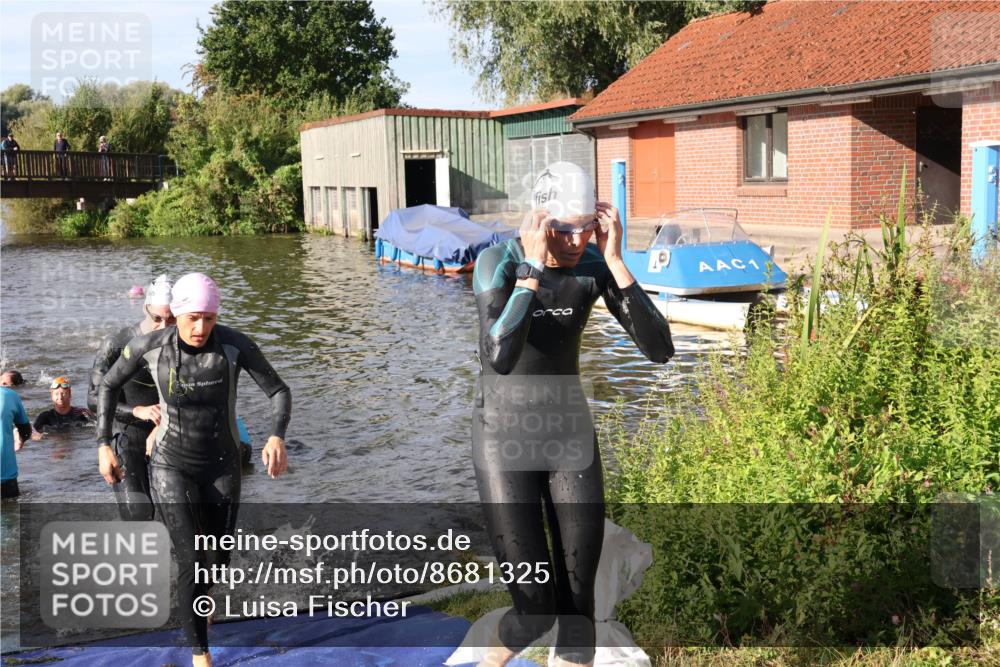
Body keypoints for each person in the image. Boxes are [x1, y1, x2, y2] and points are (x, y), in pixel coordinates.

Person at [472, 162, 674, 667]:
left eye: (587, 225)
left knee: (578, 611)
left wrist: (617, 261)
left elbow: (661, 350)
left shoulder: (594, 265)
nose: (576, 240)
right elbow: (500, 354)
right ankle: (487, 660)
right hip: (504, 441)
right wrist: (532, 275)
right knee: (536, 610)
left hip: (568, 438)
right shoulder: (498, 261)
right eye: (564, 229)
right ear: (541, 221)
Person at [96, 272, 291, 667]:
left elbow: (278, 389)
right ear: (178, 313)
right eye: (192, 318)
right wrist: (103, 444)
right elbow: (106, 386)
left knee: (216, 558)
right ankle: (201, 655)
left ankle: (200, 603)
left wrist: (276, 436)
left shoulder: (235, 345)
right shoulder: (148, 345)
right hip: (171, 464)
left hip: (222, 462)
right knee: (191, 558)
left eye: (209, 318)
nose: (200, 328)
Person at [88, 275, 174, 521]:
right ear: (146, 308)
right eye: (157, 318)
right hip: (128, 435)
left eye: (171, 319)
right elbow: (94, 399)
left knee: (180, 515)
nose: (164, 327)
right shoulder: (116, 345)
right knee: (138, 513)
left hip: (169, 432)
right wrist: (137, 411)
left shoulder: (184, 343)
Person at [1, 383, 33, 498]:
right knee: (9, 514)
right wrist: (20, 439)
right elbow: (26, 431)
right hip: (6, 479)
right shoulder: (9, 395)